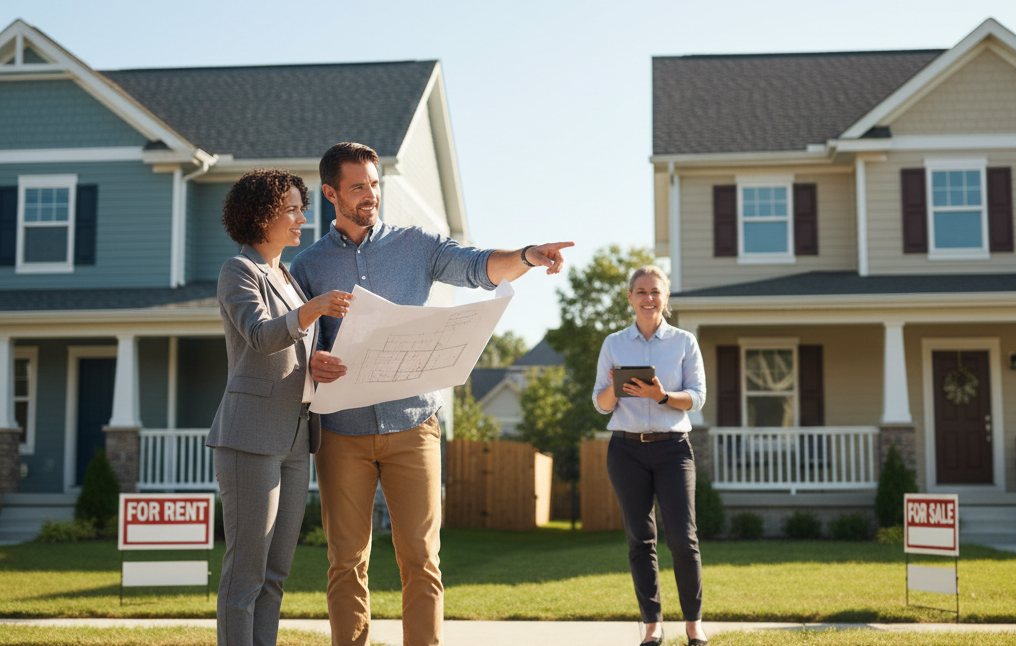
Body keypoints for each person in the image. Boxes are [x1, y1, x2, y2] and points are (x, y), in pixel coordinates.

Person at [290, 142, 573, 646]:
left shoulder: (415, 245)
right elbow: (298, 342)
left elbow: (477, 266)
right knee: (345, 560)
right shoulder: (308, 266)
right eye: (358, 187)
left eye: (375, 184)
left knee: (421, 559)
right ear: (331, 193)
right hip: (341, 432)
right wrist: (311, 361)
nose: (370, 195)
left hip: (414, 425)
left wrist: (527, 256)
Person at [207, 169, 353, 646]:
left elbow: (293, 347)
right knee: (245, 575)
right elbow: (262, 336)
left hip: (294, 438)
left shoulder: (287, 277)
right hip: (249, 436)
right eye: (291, 208)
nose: (302, 217)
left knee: (275, 575)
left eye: (300, 207)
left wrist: (319, 364)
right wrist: (315, 310)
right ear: (261, 214)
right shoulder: (239, 271)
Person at [592, 265, 709, 646]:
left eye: (655, 291)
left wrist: (659, 395)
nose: (648, 298)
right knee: (640, 540)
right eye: (640, 291)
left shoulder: (684, 342)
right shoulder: (613, 344)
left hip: (673, 449)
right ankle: (652, 625)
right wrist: (615, 387)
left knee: (682, 538)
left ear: (666, 298)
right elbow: (601, 404)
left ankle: (694, 625)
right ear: (630, 298)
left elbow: (697, 397)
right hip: (625, 450)